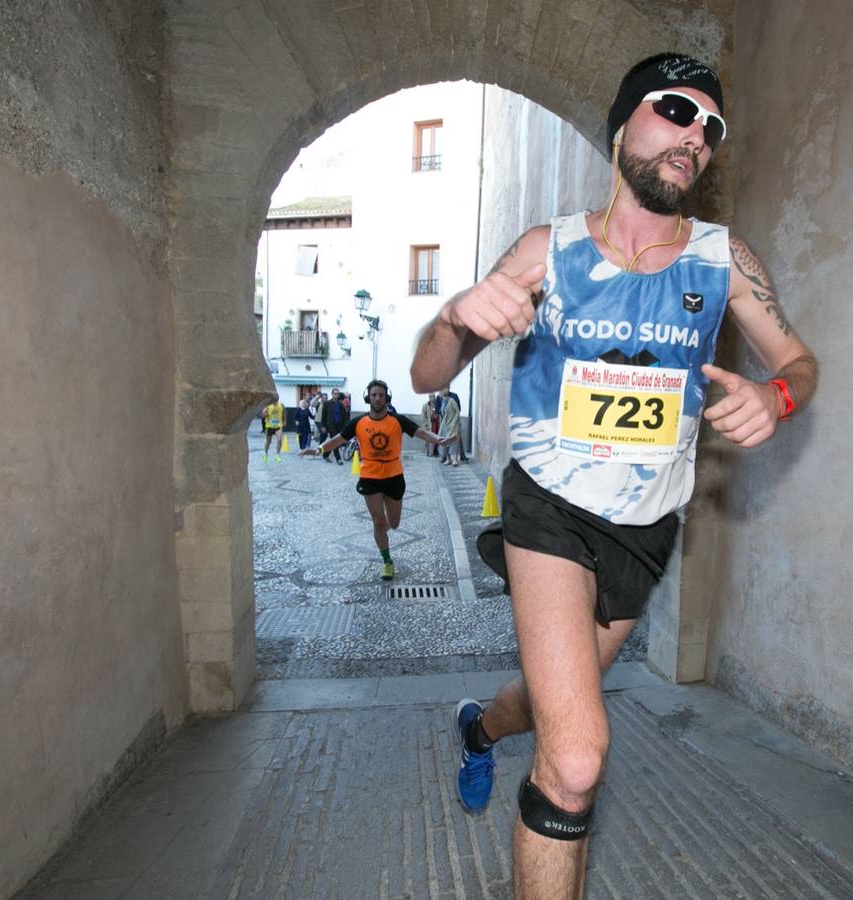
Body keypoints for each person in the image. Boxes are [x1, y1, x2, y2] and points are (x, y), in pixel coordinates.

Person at [410, 53, 818, 898]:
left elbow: (800, 361)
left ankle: (479, 729)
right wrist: (453, 315)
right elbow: (426, 378)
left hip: (647, 528)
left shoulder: (724, 260)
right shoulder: (547, 250)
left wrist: (777, 396)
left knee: (557, 704)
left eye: (713, 128)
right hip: (549, 511)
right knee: (577, 756)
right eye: (677, 111)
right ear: (624, 123)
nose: (696, 136)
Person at [300, 380, 442, 579]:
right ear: (368, 397)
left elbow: (420, 432)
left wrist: (438, 439)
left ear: (386, 398)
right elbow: (339, 439)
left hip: (394, 476)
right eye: (374, 395)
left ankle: (386, 515)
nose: (377, 398)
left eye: (381, 395)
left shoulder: (397, 420)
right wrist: (319, 449)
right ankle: (387, 561)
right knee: (378, 522)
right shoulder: (358, 423)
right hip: (370, 477)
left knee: (394, 524)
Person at [321, 389, 349, 464]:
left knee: (334, 441)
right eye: (335, 393)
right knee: (336, 441)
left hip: (339, 425)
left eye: (337, 394)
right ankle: (338, 458)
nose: (336, 395)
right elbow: (323, 416)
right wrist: (323, 426)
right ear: (332, 394)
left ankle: (326, 454)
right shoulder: (327, 403)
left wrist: (345, 426)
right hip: (330, 425)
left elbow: (344, 416)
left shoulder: (341, 405)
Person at [436, 388, 461, 465]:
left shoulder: (451, 401)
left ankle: (454, 459)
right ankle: (448, 459)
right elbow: (441, 413)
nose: (439, 393)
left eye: (440, 391)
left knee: (454, 441)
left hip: (452, 424)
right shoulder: (442, 401)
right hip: (445, 425)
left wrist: (455, 422)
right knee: (445, 441)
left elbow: (457, 412)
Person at [261, 397, 285, 462]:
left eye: (277, 398)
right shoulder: (268, 406)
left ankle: (277, 455)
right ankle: (265, 454)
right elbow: (263, 415)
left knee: (279, 440)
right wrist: (266, 414)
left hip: (278, 426)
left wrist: (285, 421)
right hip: (269, 426)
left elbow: (284, 413)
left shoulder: (281, 405)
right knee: (268, 442)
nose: (276, 400)